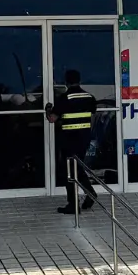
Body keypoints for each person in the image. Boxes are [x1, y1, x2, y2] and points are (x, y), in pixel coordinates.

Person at [45, 70, 98, 214]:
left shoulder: (64, 98)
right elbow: (92, 118)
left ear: (66, 82)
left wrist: (48, 110)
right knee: (78, 167)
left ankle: (73, 204)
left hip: (69, 139)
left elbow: (52, 119)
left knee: (68, 170)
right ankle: (90, 193)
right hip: (84, 138)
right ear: (79, 80)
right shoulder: (90, 97)